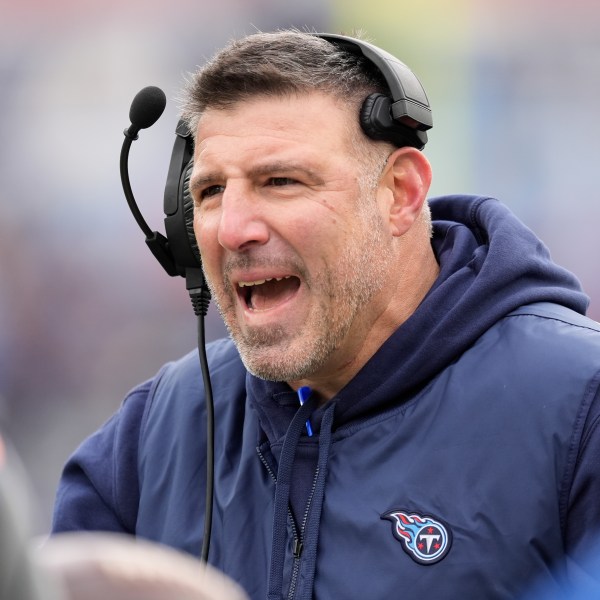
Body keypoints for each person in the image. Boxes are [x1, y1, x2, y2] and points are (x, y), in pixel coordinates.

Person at [51, 29, 600, 599]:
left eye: (281, 181)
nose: (234, 228)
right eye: (210, 191)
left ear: (400, 193)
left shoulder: (580, 408)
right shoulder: (154, 432)